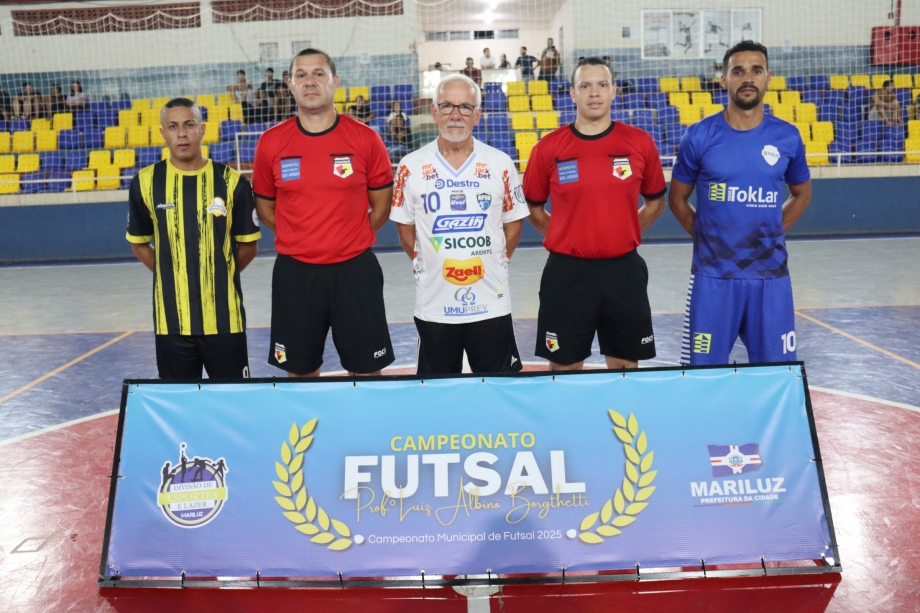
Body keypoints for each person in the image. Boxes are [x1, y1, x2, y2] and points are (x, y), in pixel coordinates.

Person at [253, 48, 395, 377]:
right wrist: (301, 239)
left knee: (367, 372)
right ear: (290, 84)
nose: (310, 81)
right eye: (301, 75)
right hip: (295, 275)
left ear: (335, 81)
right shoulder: (270, 143)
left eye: (319, 73)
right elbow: (266, 208)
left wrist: (348, 239)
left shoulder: (366, 138)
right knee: (300, 373)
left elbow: (382, 206)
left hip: (355, 271)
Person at [669, 41, 812, 366]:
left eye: (756, 70)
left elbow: (802, 193)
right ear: (724, 79)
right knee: (703, 376)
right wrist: (708, 238)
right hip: (713, 278)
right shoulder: (698, 136)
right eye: (738, 71)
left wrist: (773, 231)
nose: (748, 78)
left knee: (776, 374)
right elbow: (676, 198)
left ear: (768, 77)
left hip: (771, 278)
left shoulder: (787, 137)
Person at [522, 57, 667, 372]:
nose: (594, 93)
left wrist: (624, 231)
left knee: (625, 366)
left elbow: (656, 202)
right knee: (564, 367)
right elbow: (533, 206)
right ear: (573, 94)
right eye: (585, 86)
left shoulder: (639, 142)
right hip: (567, 273)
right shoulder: (548, 147)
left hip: (624, 271)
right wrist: (564, 233)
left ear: (614, 91)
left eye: (602, 85)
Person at [390, 74, 529, 375]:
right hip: (435, 305)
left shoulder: (500, 163)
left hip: (490, 303)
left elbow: (513, 224)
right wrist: (426, 261)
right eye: (447, 106)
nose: (455, 115)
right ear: (434, 111)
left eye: (465, 107)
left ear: (477, 115)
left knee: (499, 387)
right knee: (437, 392)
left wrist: (496, 260)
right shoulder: (410, 166)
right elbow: (404, 227)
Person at [125, 98, 261, 379]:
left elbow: (249, 245)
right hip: (171, 324)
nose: (181, 133)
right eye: (173, 126)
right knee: (180, 402)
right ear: (162, 132)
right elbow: (139, 243)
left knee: (233, 400)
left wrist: (219, 274)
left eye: (189, 125)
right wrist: (171, 273)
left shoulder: (232, 181)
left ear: (202, 129)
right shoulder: (145, 182)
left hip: (226, 321)